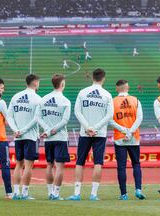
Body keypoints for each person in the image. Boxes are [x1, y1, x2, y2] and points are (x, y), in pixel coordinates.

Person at [67, 68, 114, 201]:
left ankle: (76, 193)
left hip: (85, 133)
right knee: (98, 163)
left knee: (79, 162)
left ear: (92, 77)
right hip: (99, 133)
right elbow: (109, 115)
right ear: (103, 78)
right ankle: (93, 194)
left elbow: (77, 111)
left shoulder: (83, 92)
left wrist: (88, 127)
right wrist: (96, 128)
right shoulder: (107, 94)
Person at [109, 80, 146, 200]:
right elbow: (139, 118)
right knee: (136, 163)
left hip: (120, 138)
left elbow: (110, 120)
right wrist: (130, 132)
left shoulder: (112, 101)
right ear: (127, 87)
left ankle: (123, 194)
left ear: (117, 88)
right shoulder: (135, 100)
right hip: (133, 138)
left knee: (121, 166)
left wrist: (124, 131)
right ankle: (138, 189)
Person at [7, 74, 41, 200]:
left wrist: (16, 130)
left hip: (18, 136)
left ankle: (16, 193)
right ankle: (25, 193)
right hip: (30, 136)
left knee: (18, 164)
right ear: (35, 83)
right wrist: (24, 130)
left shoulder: (16, 96)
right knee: (28, 165)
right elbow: (37, 118)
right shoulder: (37, 99)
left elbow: (9, 116)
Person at [37, 74, 71, 200]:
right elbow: (65, 120)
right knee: (60, 167)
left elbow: (38, 118)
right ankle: (56, 194)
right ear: (62, 84)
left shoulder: (43, 99)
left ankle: (50, 192)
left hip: (48, 138)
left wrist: (47, 130)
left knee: (49, 165)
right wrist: (52, 131)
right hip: (60, 137)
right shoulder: (65, 101)